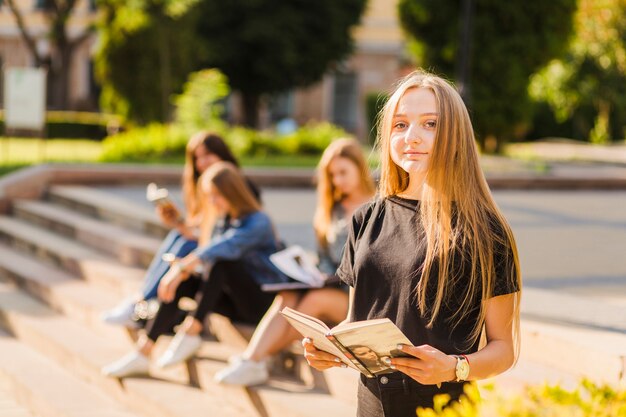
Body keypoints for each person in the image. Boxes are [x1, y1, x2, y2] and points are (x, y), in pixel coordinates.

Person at [302, 70, 522, 416]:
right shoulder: (365, 219)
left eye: (430, 124)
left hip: (441, 407)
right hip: (370, 404)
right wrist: (332, 348)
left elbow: (504, 350)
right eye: (400, 125)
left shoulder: (485, 231)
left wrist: (453, 367)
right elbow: (357, 320)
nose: (412, 137)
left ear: (455, 135)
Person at [213, 138, 375, 386]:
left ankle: (257, 359)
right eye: (332, 175)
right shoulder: (330, 211)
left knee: (312, 300)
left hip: (358, 295)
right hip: (329, 285)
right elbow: (325, 261)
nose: (338, 181)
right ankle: (253, 359)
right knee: (288, 296)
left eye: (343, 172)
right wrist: (312, 274)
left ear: (359, 169)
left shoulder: (378, 206)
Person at [102, 162, 282, 378]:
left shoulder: (258, 221)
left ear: (233, 192)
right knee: (187, 281)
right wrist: (183, 271)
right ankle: (143, 351)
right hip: (234, 301)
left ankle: (191, 331)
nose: (212, 201)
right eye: (209, 196)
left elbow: (223, 247)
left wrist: (179, 269)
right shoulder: (225, 219)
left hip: (261, 303)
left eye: (216, 195)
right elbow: (206, 249)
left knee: (220, 263)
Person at [101, 131, 258, 327]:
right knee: (180, 237)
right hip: (213, 247)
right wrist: (178, 222)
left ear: (222, 154)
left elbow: (227, 235)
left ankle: (141, 302)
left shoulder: (237, 186)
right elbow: (205, 226)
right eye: (197, 158)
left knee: (186, 244)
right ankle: (141, 298)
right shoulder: (204, 184)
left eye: (207, 155)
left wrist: (184, 262)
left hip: (234, 261)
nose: (202, 163)